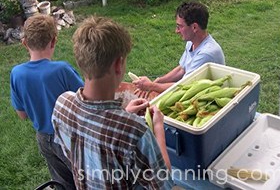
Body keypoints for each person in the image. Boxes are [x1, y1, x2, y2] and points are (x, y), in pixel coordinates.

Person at [51, 16, 174, 189]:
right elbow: (164, 183)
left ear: (80, 60)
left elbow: (81, 150)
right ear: (118, 64)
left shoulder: (61, 104)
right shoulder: (135, 132)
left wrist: (125, 115)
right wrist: (159, 127)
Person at [10, 14, 83, 189]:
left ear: (24, 43)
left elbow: (21, 114)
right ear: (54, 41)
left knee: (62, 182)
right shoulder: (62, 70)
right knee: (84, 177)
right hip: (69, 137)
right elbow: (86, 101)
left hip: (43, 138)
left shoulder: (16, 73)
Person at [133, 1, 225, 96]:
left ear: (194, 27)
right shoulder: (191, 43)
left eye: (179, 26)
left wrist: (151, 86)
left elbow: (184, 87)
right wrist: (158, 81)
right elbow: (181, 69)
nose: (176, 31)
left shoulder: (206, 54)